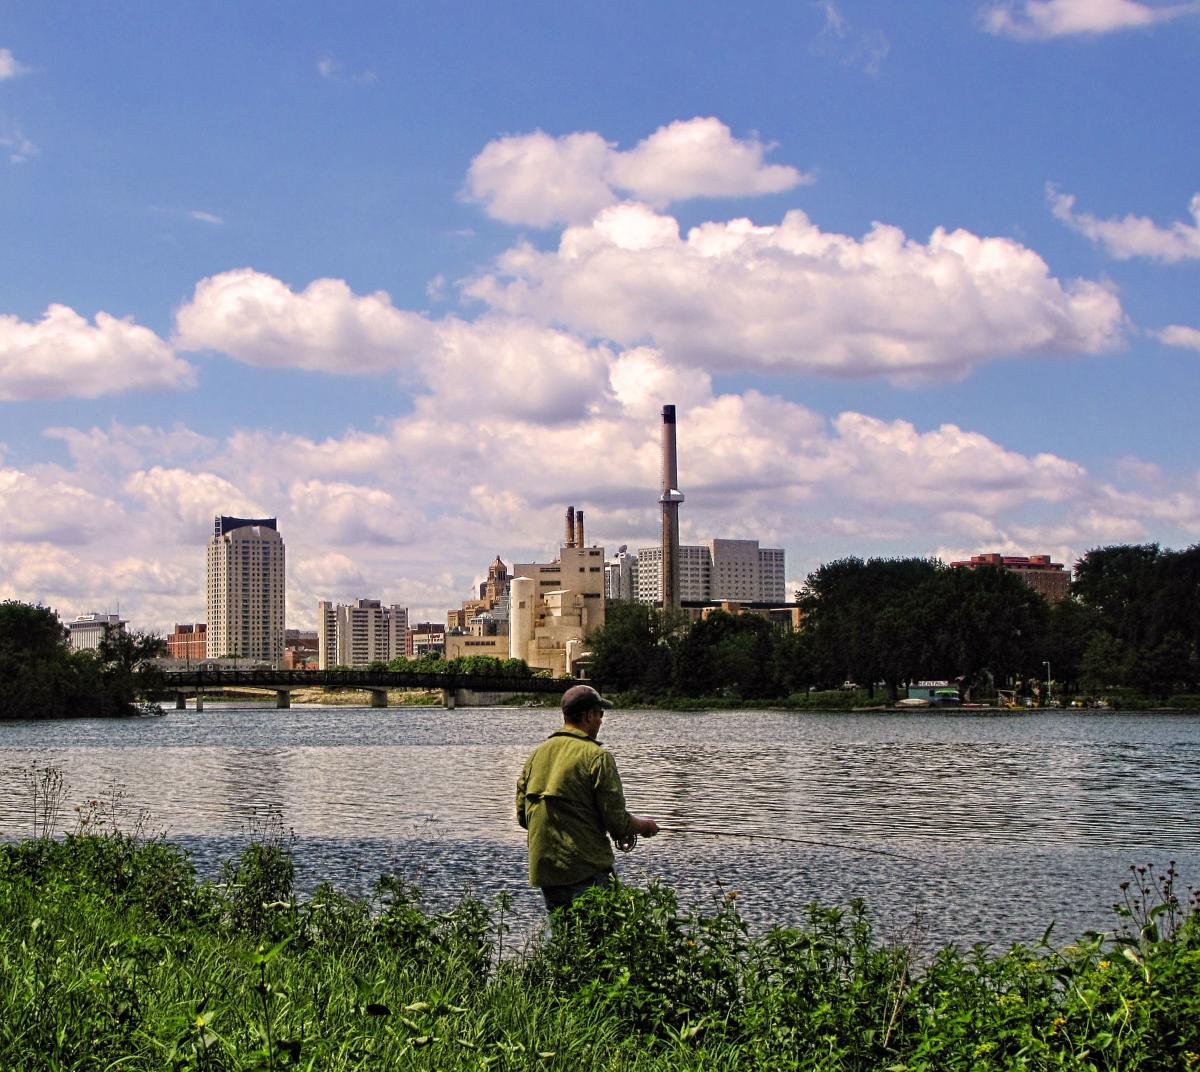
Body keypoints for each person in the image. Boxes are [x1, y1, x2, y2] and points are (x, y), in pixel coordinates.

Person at [515, 684, 659, 911]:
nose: (601, 721)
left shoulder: (537, 755)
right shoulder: (597, 757)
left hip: (547, 870)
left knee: (563, 938)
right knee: (602, 938)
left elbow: (524, 817)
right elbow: (617, 823)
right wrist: (645, 826)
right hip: (586, 868)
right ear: (589, 716)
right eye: (600, 715)